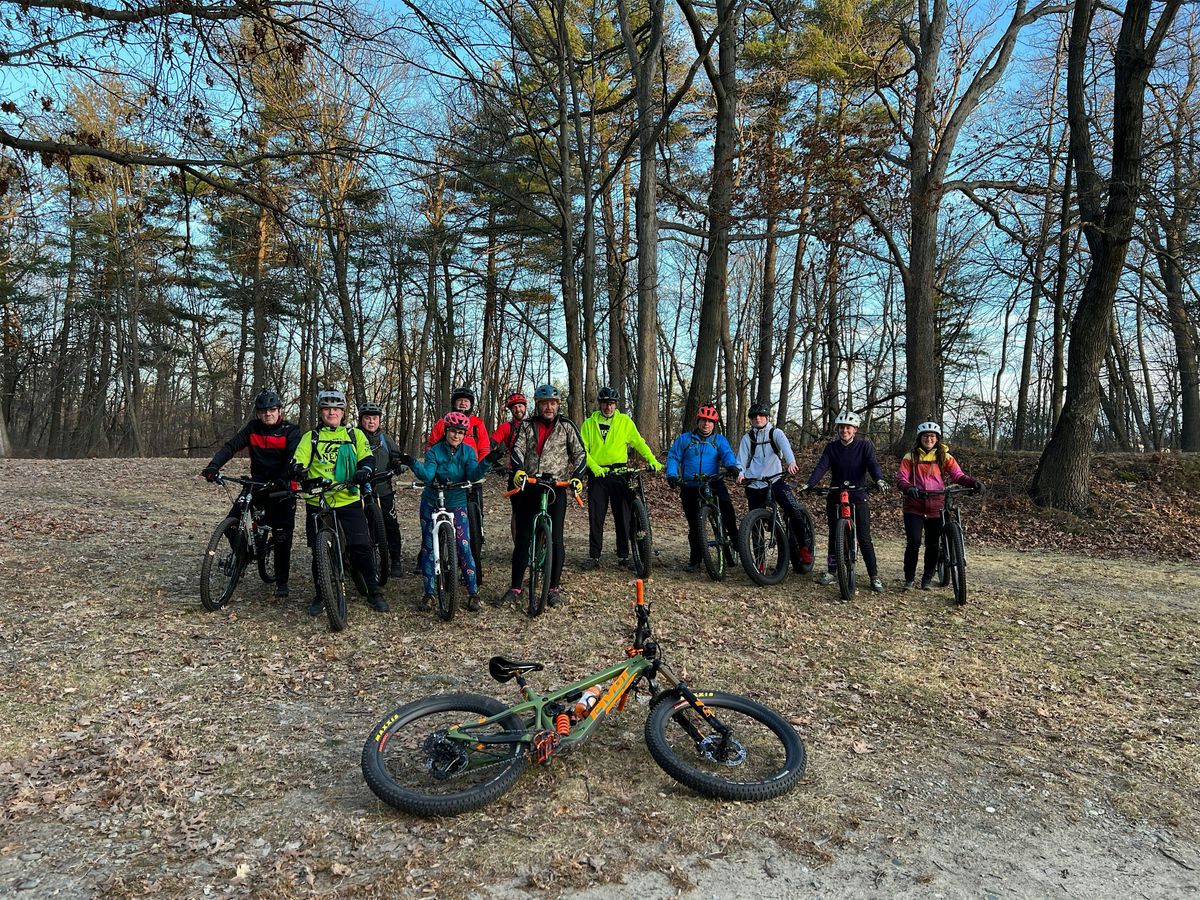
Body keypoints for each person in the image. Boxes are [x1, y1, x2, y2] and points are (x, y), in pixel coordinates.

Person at [290, 389, 388, 614]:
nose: (332, 412)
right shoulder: (311, 437)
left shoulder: (354, 435)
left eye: (336, 409)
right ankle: (321, 594)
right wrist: (296, 470)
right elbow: (299, 460)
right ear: (321, 412)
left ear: (343, 412)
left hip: (348, 497)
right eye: (327, 408)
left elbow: (367, 458)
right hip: (319, 499)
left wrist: (364, 469)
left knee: (361, 546)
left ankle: (373, 592)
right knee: (319, 551)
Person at [201, 389, 300, 599]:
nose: (268, 414)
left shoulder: (290, 431)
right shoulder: (253, 429)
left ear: (279, 410)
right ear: (257, 413)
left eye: (272, 410)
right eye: (263, 411)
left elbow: (293, 459)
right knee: (231, 522)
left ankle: (281, 581)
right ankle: (243, 555)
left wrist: (282, 479)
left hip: (281, 488)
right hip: (257, 484)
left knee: (282, 536)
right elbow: (231, 447)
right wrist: (213, 466)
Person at [398, 412, 499, 613]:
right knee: (429, 547)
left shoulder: (468, 452)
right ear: (446, 431)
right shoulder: (435, 451)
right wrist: (411, 462)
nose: (456, 435)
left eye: (461, 432)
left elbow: (472, 474)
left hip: (457, 500)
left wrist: (487, 461)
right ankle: (429, 593)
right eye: (453, 431)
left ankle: (473, 593)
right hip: (432, 500)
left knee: (464, 546)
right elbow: (427, 475)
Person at [500, 384, 588, 608]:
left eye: (553, 403)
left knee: (556, 540)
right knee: (523, 539)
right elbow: (517, 449)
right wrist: (519, 469)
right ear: (538, 405)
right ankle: (516, 586)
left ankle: (553, 588)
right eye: (544, 403)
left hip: (556, 486)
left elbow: (580, 453)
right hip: (530, 484)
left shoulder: (567, 426)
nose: (549, 407)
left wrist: (577, 476)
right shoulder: (527, 426)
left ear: (558, 405)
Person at [578, 385, 662, 570]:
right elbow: (583, 450)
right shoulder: (589, 424)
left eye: (612, 404)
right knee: (596, 516)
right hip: (598, 474)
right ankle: (594, 557)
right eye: (606, 404)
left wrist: (652, 460)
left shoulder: (624, 422)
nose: (609, 407)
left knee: (623, 516)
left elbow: (639, 442)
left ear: (616, 405)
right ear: (600, 404)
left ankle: (624, 556)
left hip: (619, 473)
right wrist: (594, 467)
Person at [804, 409, 887, 593]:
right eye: (841, 427)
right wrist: (810, 484)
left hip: (858, 495)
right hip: (836, 495)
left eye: (848, 427)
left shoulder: (864, 446)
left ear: (855, 429)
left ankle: (874, 576)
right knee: (835, 535)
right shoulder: (831, 448)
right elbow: (822, 466)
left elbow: (873, 464)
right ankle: (832, 571)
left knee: (864, 538)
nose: (845, 431)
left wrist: (878, 479)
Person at [895, 420, 984, 591]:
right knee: (913, 542)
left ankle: (927, 578)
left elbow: (958, 475)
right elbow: (901, 478)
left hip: (936, 505)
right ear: (920, 438)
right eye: (926, 436)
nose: (929, 439)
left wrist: (973, 482)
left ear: (937, 439)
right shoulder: (910, 457)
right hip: (914, 505)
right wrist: (908, 487)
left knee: (933, 544)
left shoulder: (944, 456)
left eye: (932, 436)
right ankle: (909, 579)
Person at [736, 401, 815, 574]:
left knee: (793, 510)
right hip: (754, 482)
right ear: (750, 420)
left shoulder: (775, 433)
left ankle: (804, 547)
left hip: (776, 479)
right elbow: (741, 458)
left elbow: (785, 447)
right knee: (755, 525)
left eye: (761, 416)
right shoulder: (748, 437)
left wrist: (791, 462)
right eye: (754, 416)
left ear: (767, 417)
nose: (758, 418)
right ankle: (759, 561)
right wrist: (740, 473)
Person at [665, 405, 741, 572]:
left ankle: (735, 537)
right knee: (694, 525)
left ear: (714, 423)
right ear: (698, 421)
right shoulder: (685, 439)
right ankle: (695, 559)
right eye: (703, 420)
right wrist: (671, 474)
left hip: (713, 482)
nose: (706, 424)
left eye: (710, 421)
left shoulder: (718, 440)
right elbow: (673, 457)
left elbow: (727, 454)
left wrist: (731, 466)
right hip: (690, 485)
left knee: (726, 507)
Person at [357, 400, 405, 579]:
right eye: (367, 418)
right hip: (360, 490)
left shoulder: (386, 439)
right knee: (359, 526)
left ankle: (396, 560)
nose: (371, 422)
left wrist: (399, 465)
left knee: (391, 525)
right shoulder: (353, 437)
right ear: (361, 419)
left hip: (384, 489)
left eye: (375, 418)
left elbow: (396, 457)